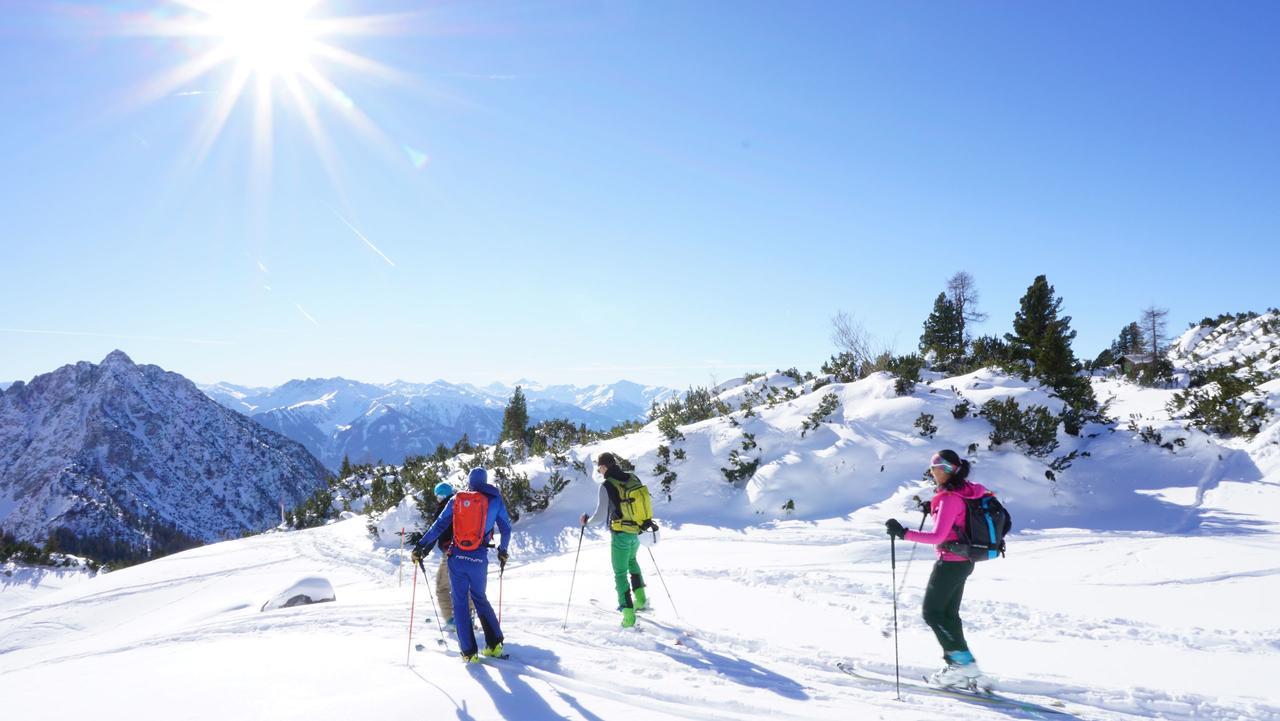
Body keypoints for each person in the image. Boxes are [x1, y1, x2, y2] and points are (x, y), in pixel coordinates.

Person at [885, 449, 990, 688]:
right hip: (964, 562)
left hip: (950, 563)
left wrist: (903, 533)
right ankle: (964, 665)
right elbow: (957, 518)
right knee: (948, 615)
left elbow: (938, 536)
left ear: (944, 470)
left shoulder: (948, 498)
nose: (931, 472)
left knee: (932, 613)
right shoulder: (965, 490)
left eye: (934, 468)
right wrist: (932, 508)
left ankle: (960, 666)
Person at [413, 468, 511, 663]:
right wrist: (503, 550)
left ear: (469, 481)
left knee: (459, 602)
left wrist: (421, 546)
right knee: (480, 598)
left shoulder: (457, 499)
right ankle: (494, 645)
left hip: (457, 557)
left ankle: (469, 652)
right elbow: (506, 528)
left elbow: (439, 525)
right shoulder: (495, 500)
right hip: (479, 558)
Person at [580, 452, 651, 628]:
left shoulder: (607, 485)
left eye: (599, 468)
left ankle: (628, 616)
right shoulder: (632, 477)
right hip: (636, 530)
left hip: (620, 534)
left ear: (604, 466)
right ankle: (641, 600)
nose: (600, 471)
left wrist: (586, 522)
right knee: (632, 561)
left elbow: (600, 515)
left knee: (620, 573)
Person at [414, 481, 471, 630]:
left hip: (450, 553)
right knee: (464, 586)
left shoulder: (443, 508)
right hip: (469, 552)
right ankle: (469, 617)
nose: (437, 499)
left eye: (437, 496)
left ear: (441, 495)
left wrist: (423, 551)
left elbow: (435, 531)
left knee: (442, 587)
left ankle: (452, 621)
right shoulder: (461, 505)